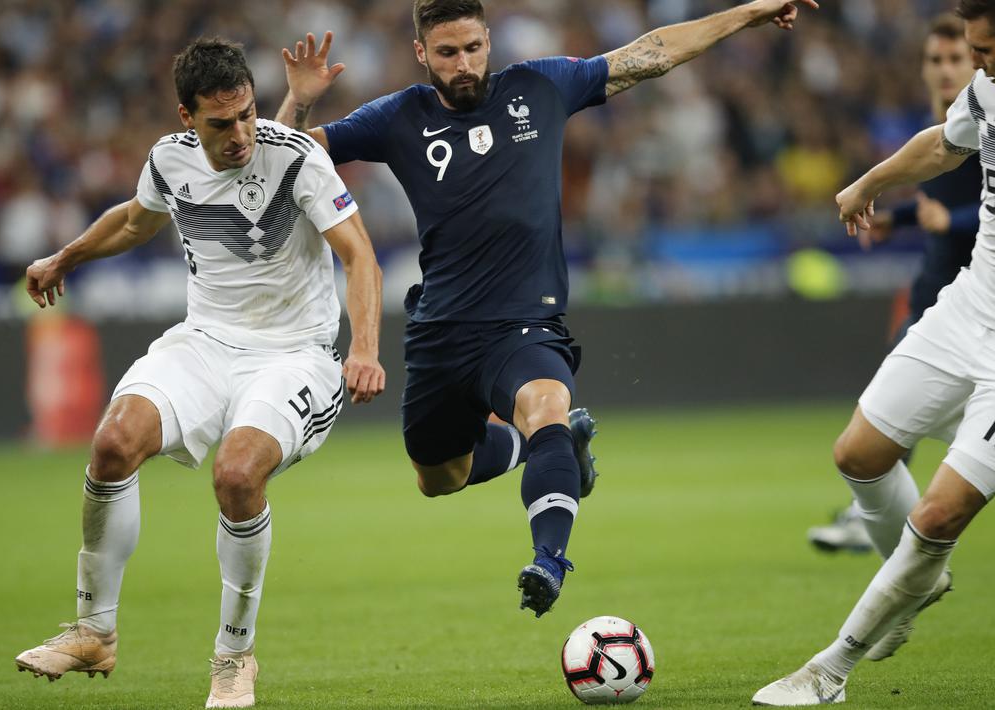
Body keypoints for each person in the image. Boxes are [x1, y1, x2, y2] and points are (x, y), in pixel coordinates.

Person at [274, 0, 818, 617]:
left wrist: (744, 14)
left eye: (474, 48)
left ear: (488, 42)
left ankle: (549, 559)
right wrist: (301, 99)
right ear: (422, 52)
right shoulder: (399, 116)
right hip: (442, 330)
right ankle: (535, 448)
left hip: (525, 321)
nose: (464, 64)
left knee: (546, 408)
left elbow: (652, 54)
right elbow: (282, 160)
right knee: (438, 477)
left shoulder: (539, 86)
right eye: (448, 53)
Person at [755, 0, 995, 704]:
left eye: (982, 51)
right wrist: (870, 181)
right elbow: (947, 142)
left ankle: (828, 670)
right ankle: (917, 582)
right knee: (858, 456)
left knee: (935, 517)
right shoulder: (993, 87)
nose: (970, 66)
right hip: (966, 311)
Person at [13, 37, 385, 709]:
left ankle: (234, 657)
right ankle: (94, 630)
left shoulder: (298, 157)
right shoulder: (168, 160)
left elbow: (359, 255)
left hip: (294, 352)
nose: (241, 133)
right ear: (187, 117)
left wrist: (363, 349)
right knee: (111, 444)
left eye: (246, 114)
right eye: (221, 122)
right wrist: (65, 257)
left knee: (237, 474)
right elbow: (134, 222)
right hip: (205, 343)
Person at [808, 14, 981, 555]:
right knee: (892, 413)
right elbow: (943, 204)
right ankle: (882, 519)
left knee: (893, 417)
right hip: (936, 288)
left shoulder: (992, 123)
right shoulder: (941, 125)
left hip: (976, 298)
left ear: (978, 63)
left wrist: (948, 225)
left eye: (957, 59)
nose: (946, 69)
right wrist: (902, 219)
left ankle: (885, 522)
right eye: (936, 60)